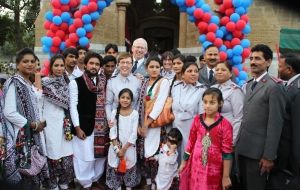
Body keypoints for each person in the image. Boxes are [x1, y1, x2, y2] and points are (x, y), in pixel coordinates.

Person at [236, 44, 286, 190]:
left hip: (258, 155)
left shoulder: (274, 87)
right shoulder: (249, 85)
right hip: (242, 150)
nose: (253, 62)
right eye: (251, 58)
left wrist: (269, 156)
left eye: (258, 58)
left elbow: (275, 124)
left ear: (269, 62)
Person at [3, 48, 48, 189]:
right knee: (23, 176)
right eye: (25, 61)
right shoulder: (14, 83)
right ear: (17, 64)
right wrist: (32, 125)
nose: (29, 64)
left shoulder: (28, 83)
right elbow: (9, 112)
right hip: (19, 136)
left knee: (31, 174)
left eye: (32, 61)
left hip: (32, 134)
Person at [179, 88, 233, 190]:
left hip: (215, 170)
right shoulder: (197, 120)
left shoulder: (225, 125)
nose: (207, 106)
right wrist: (184, 162)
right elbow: (190, 143)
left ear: (220, 103)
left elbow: (227, 153)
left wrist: (226, 176)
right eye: (205, 102)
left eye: (212, 103)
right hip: (196, 167)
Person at [69, 52, 109, 190]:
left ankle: (95, 179)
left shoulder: (103, 82)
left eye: (97, 64)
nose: (94, 66)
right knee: (84, 157)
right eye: (91, 63)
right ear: (85, 64)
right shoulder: (76, 82)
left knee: (99, 156)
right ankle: (86, 184)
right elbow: (72, 106)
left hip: (100, 127)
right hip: (84, 127)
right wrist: (77, 127)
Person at [40, 54, 74, 190]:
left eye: (61, 65)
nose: (59, 68)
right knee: (52, 154)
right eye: (56, 65)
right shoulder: (45, 82)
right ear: (51, 67)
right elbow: (39, 102)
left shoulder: (68, 82)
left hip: (64, 123)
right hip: (49, 123)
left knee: (66, 155)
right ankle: (53, 183)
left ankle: (63, 181)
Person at [137, 56, 170, 190]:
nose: (154, 69)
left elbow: (159, 105)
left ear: (161, 68)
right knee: (144, 153)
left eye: (157, 67)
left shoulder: (164, 82)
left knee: (154, 154)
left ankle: (156, 184)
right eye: (151, 67)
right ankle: (148, 181)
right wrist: (140, 124)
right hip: (143, 121)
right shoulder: (144, 82)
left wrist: (146, 124)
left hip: (155, 124)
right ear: (146, 68)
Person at [106, 88, 141, 190]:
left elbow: (134, 134)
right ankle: (117, 187)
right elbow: (112, 132)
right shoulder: (114, 112)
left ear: (131, 100)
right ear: (119, 99)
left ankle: (128, 186)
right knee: (115, 166)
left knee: (129, 166)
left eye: (128, 98)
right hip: (115, 146)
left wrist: (124, 149)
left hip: (129, 147)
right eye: (123, 97)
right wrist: (117, 148)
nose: (125, 100)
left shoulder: (134, 114)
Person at [171, 62, 206, 160]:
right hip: (175, 128)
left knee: (187, 157)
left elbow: (202, 116)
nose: (193, 74)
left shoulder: (202, 90)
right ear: (182, 74)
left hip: (190, 130)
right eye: (189, 71)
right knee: (173, 157)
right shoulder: (175, 87)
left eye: (196, 71)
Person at [277, 53, 300, 177]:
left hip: (290, 153)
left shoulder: (297, 89)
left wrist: (297, 157)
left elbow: (297, 126)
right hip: (284, 149)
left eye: (280, 66)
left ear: (289, 69)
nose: (278, 69)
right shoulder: (290, 85)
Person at [211, 61, 244, 145]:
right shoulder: (212, 88)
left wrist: (233, 140)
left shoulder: (235, 90)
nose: (219, 72)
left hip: (226, 135)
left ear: (230, 74)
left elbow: (238, 117)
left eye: (223, 70)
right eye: (217, 69)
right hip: (211, 133)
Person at [105, 53, 141, 121]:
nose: (125, 65)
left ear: (132, 65)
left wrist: (138, 120)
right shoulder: (111, 82)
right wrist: (110, 119)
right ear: (118, 65)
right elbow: (108, 104)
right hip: (116, 120)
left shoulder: (138, 81)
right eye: (122, 62)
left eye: (128, 63)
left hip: (133, 120)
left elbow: (139, 103)